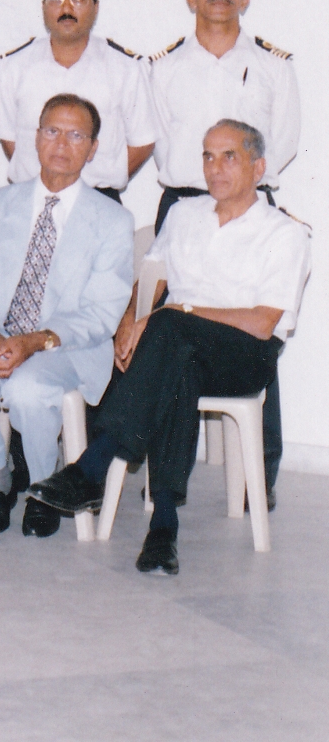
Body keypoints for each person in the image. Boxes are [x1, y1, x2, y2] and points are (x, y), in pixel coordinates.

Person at [29, 120, 310, 575]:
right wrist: (128, 320)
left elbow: (262, 324)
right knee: (179, 364)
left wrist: (178, 313)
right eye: (207, 156)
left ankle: (92, 466)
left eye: (229, 157)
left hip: (244, 356)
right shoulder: (183, 213)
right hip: (178, 349)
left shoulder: (284, 233)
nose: (215, 168)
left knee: (172, 332)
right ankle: (163, 527)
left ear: (258, 168)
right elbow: (152, 274)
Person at [0, 94, 134, 535]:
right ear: (36, 138)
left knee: (28, 387)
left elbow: (101, 314)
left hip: (66, 346)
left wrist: (31, 343)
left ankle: (45, 486)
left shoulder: (112, 220)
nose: (61, 144)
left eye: (76, 135)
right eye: (52, 131)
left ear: (92, 148)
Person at [149, 0, 300, 498]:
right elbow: (159, 139)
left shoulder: (272, 66)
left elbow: (282, 142)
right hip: (183, 206)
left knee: (257, 332)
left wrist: (242, 185)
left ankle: (259, 474)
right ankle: (163, 470)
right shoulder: (163, 67)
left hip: (249, 204)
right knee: (161, 329)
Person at [0, 0, 155, 202]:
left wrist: (99, 187)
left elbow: (142, 141)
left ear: (96, 7)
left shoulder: (125, 68)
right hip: (31, 198)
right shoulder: (14, 66)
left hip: (98, 200)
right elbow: (9, 138)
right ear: (43, 5)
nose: (66, 8)